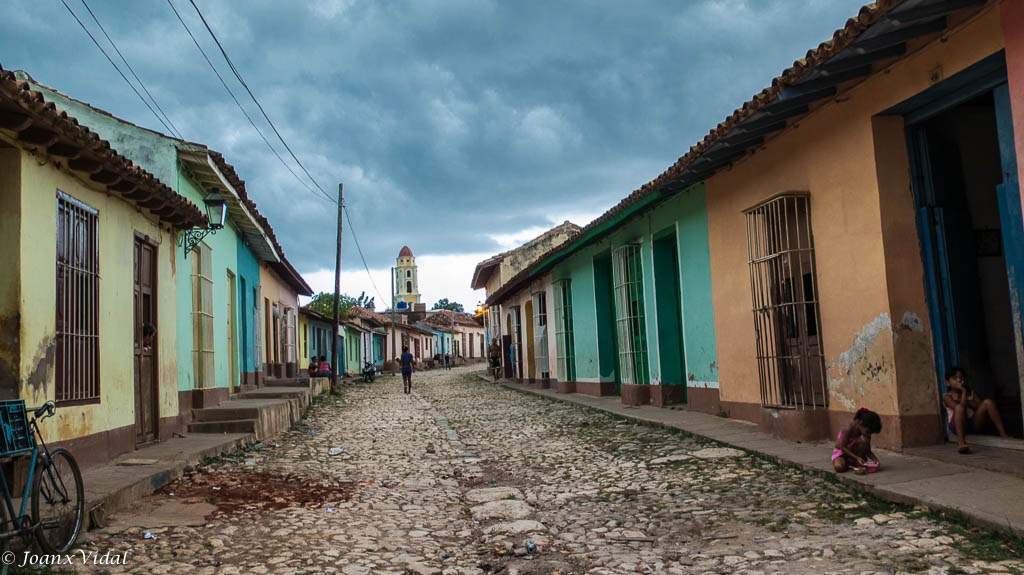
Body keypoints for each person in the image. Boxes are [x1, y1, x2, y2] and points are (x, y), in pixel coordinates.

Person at [942, 366, 1007, 454]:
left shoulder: (970, 393)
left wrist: (965, 395)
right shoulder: (947, 397)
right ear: (947, 383)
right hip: (957, 426)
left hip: (972, 424)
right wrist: (964, 392)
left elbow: (979, 406)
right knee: (959, 407)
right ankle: (961, 443)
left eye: (961, 377)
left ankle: (1003, 434)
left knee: (988, 402)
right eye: (954, 378)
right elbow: (961, 407)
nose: (958, 380)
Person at [832, 408, 882, 474]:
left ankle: (855, 463)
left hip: (856, 455)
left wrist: (875, 459)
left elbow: (868, 451)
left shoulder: (865, 435)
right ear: (861, 423)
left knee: (864, 440)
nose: (869, 434)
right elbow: (842, 447)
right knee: (839, 467)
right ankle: (850, 462)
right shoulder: (848, 429)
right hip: (842, 453)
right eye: (868, 432)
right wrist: (856, 458)